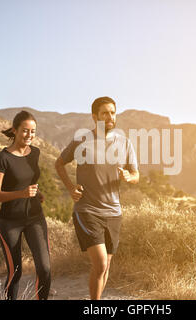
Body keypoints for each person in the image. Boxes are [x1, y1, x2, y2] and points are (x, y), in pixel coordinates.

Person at [55, 96, 139, 300]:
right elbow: (59, 164)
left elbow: (136, 175)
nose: (110, 116)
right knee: (100, 263)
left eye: (112, 112)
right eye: (104, 113)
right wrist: (71, 188)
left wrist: (129, 176)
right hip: (87, 210)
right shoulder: (82, 140)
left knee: (106, 264)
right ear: (95, 117)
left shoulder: (125, 143)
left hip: (113, 212)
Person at [0, 111, 51, 300]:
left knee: (45, 268)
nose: (29, 135)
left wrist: (36, 193)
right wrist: (21, 194)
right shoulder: (2, 158)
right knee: (15, 272)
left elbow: (27, 179)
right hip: (10, 222)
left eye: (33, 132)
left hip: (34, 217)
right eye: (25, 131)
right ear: (15, 131)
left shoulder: (36, 153)